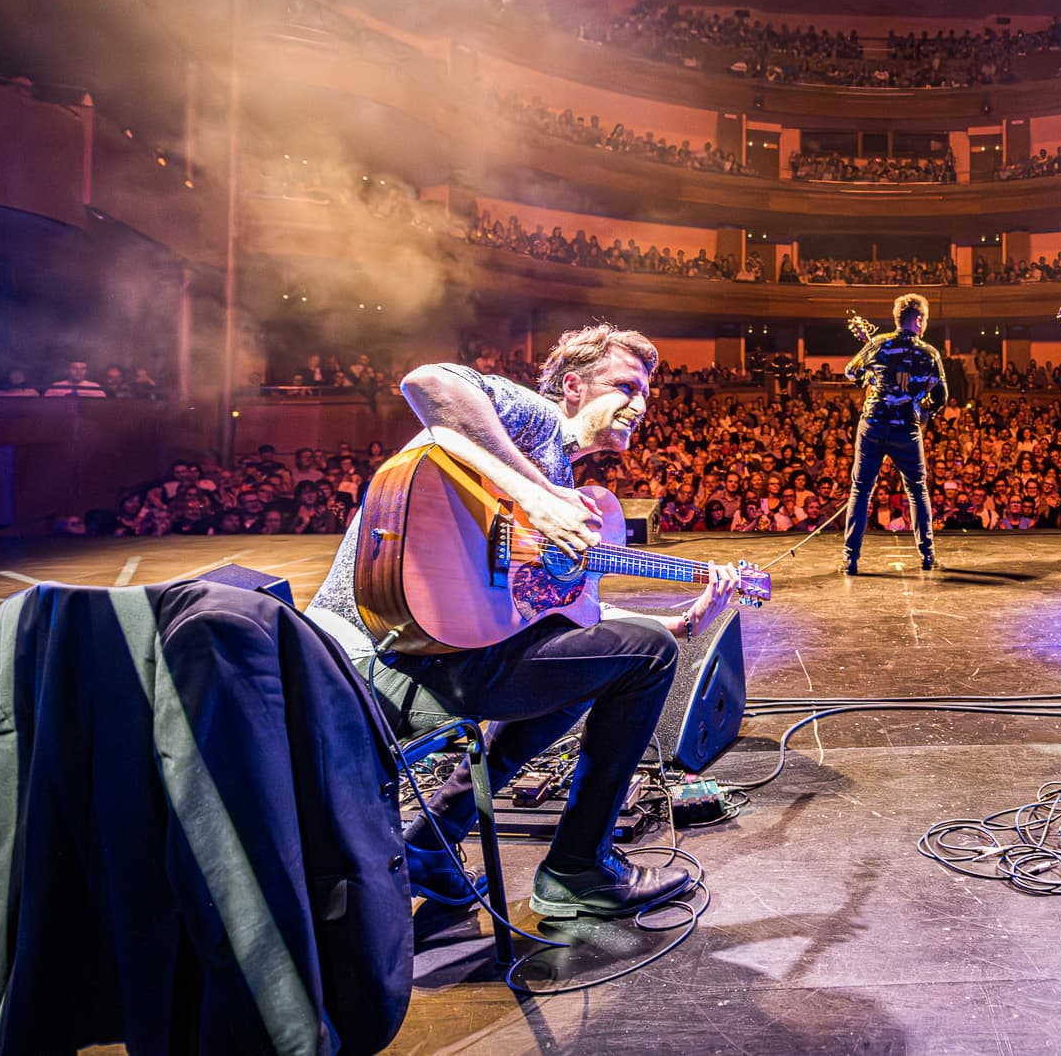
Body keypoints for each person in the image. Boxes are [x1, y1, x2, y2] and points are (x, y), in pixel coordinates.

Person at [303, 323, 743, 921]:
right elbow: (427, 382)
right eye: (625, 385)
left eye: (646, 393)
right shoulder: (534, 421)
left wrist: (683, 624)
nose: (640, 404)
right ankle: (579, 868)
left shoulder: (567, 486)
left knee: (599, 660)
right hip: (377, 651)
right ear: (572, 386)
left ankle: (434, 840)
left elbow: (574, 614)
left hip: (432, 651)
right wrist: (534, 492)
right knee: (641, 660)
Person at [841, 293, 949, 575]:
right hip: (906, 430)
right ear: (919, 319)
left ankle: (850, 559)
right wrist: (927, 411)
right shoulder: (929, 353)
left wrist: (870, 377)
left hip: (874, 426)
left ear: (897, 319)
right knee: (916, 490)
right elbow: (941, 394)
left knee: (861, 490)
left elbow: (850, 373)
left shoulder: (878, 343)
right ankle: (927, 555)